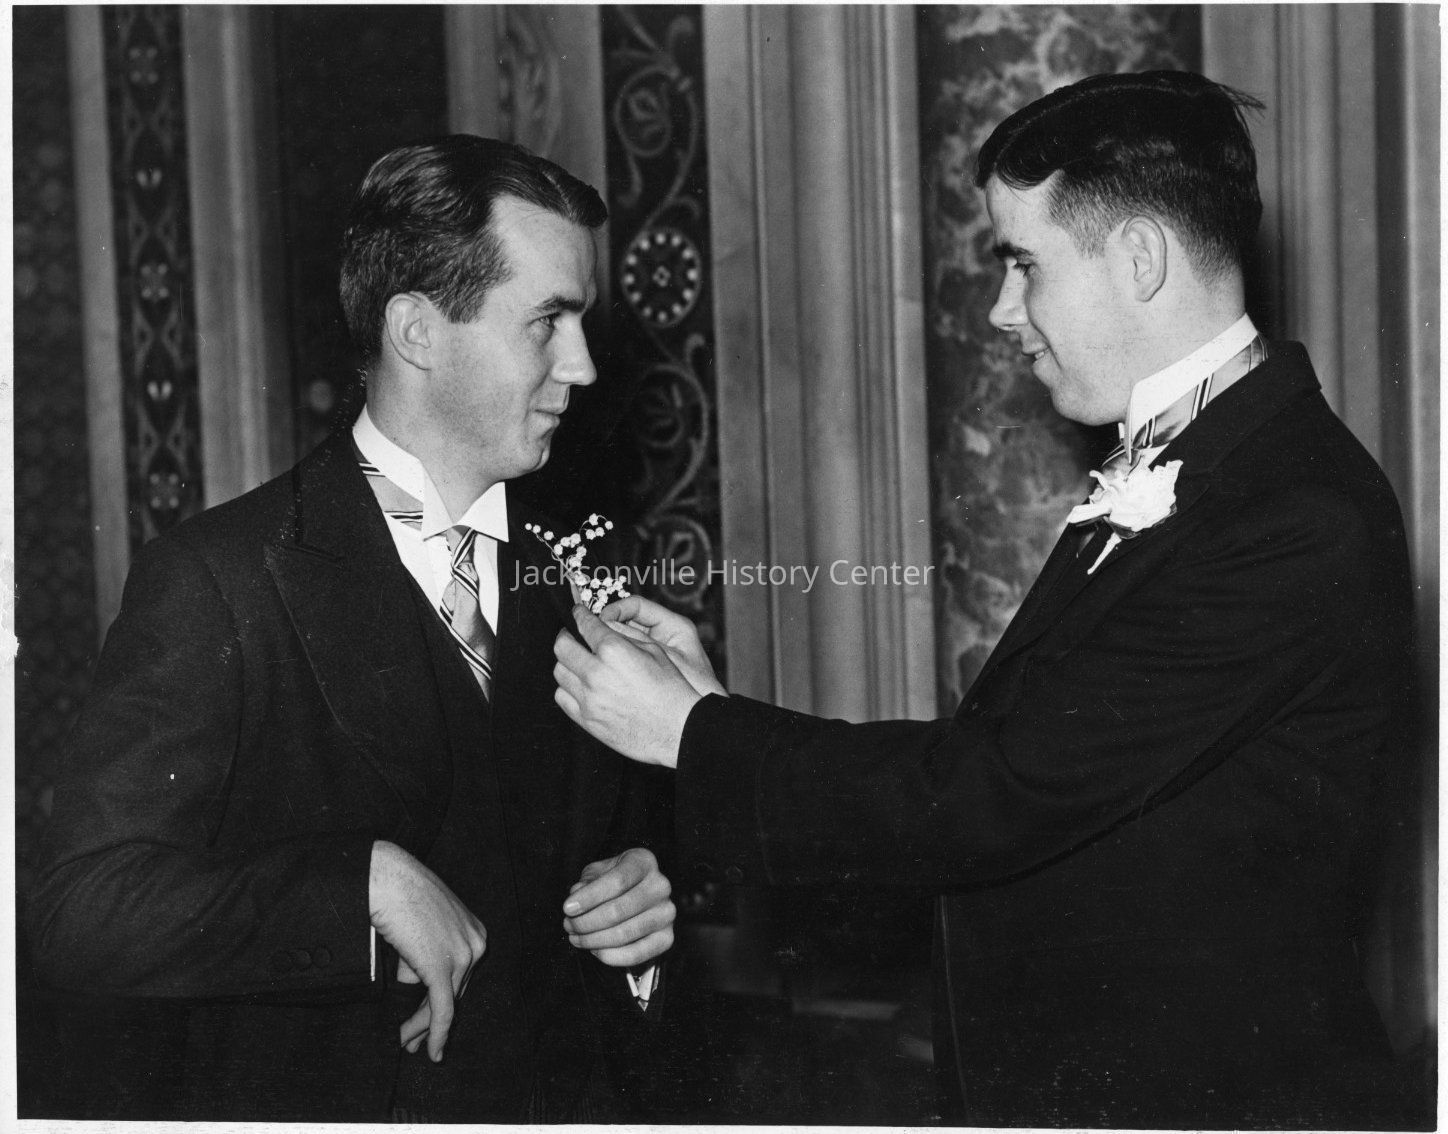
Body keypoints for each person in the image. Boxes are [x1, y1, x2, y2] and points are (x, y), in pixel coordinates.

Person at [552, 72, 1416, 1127]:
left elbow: (994, 794)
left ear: (1139, 259)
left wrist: (694, 735)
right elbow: (1017, 769)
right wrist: (705, 710)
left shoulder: (1292, 515)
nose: (1004, 312)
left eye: (1023, 263)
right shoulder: (1217, 468)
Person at [27, 136, 675, 1123]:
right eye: (549, 321)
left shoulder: (579, 567)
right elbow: (80, 911)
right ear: (417, 331)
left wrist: (640, 922)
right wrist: (353, 892)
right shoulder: (221, 579)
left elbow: (615, 883)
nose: (582, 365)